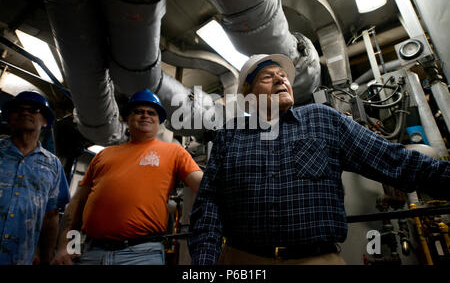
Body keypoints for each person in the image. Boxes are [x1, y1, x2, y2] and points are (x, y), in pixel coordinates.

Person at [188, 54, 450, 265]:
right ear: (249, 95)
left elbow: (395, 160)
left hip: (317, 258)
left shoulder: (323, 119)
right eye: (268, 77)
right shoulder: (230, 137)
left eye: (283, 76)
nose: (281, 80)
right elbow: (209, 207)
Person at [52, 88, 203, 265]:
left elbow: (203, 185)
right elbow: (77, 204)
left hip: (141, 254)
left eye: (151, 113)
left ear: (159, 120)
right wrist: (68, 247)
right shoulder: (104, 155)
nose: (145, 115)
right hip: (92, 251)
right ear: (127, 118)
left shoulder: (174, 152)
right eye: (138, 111)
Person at [0, 91, 70, 265]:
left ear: (45, 121)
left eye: (33, 110)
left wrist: (46, 258)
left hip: (20, 259)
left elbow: (50, 217)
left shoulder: (53, 165)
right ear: (9, 118)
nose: (25, 112)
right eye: (18, 109)